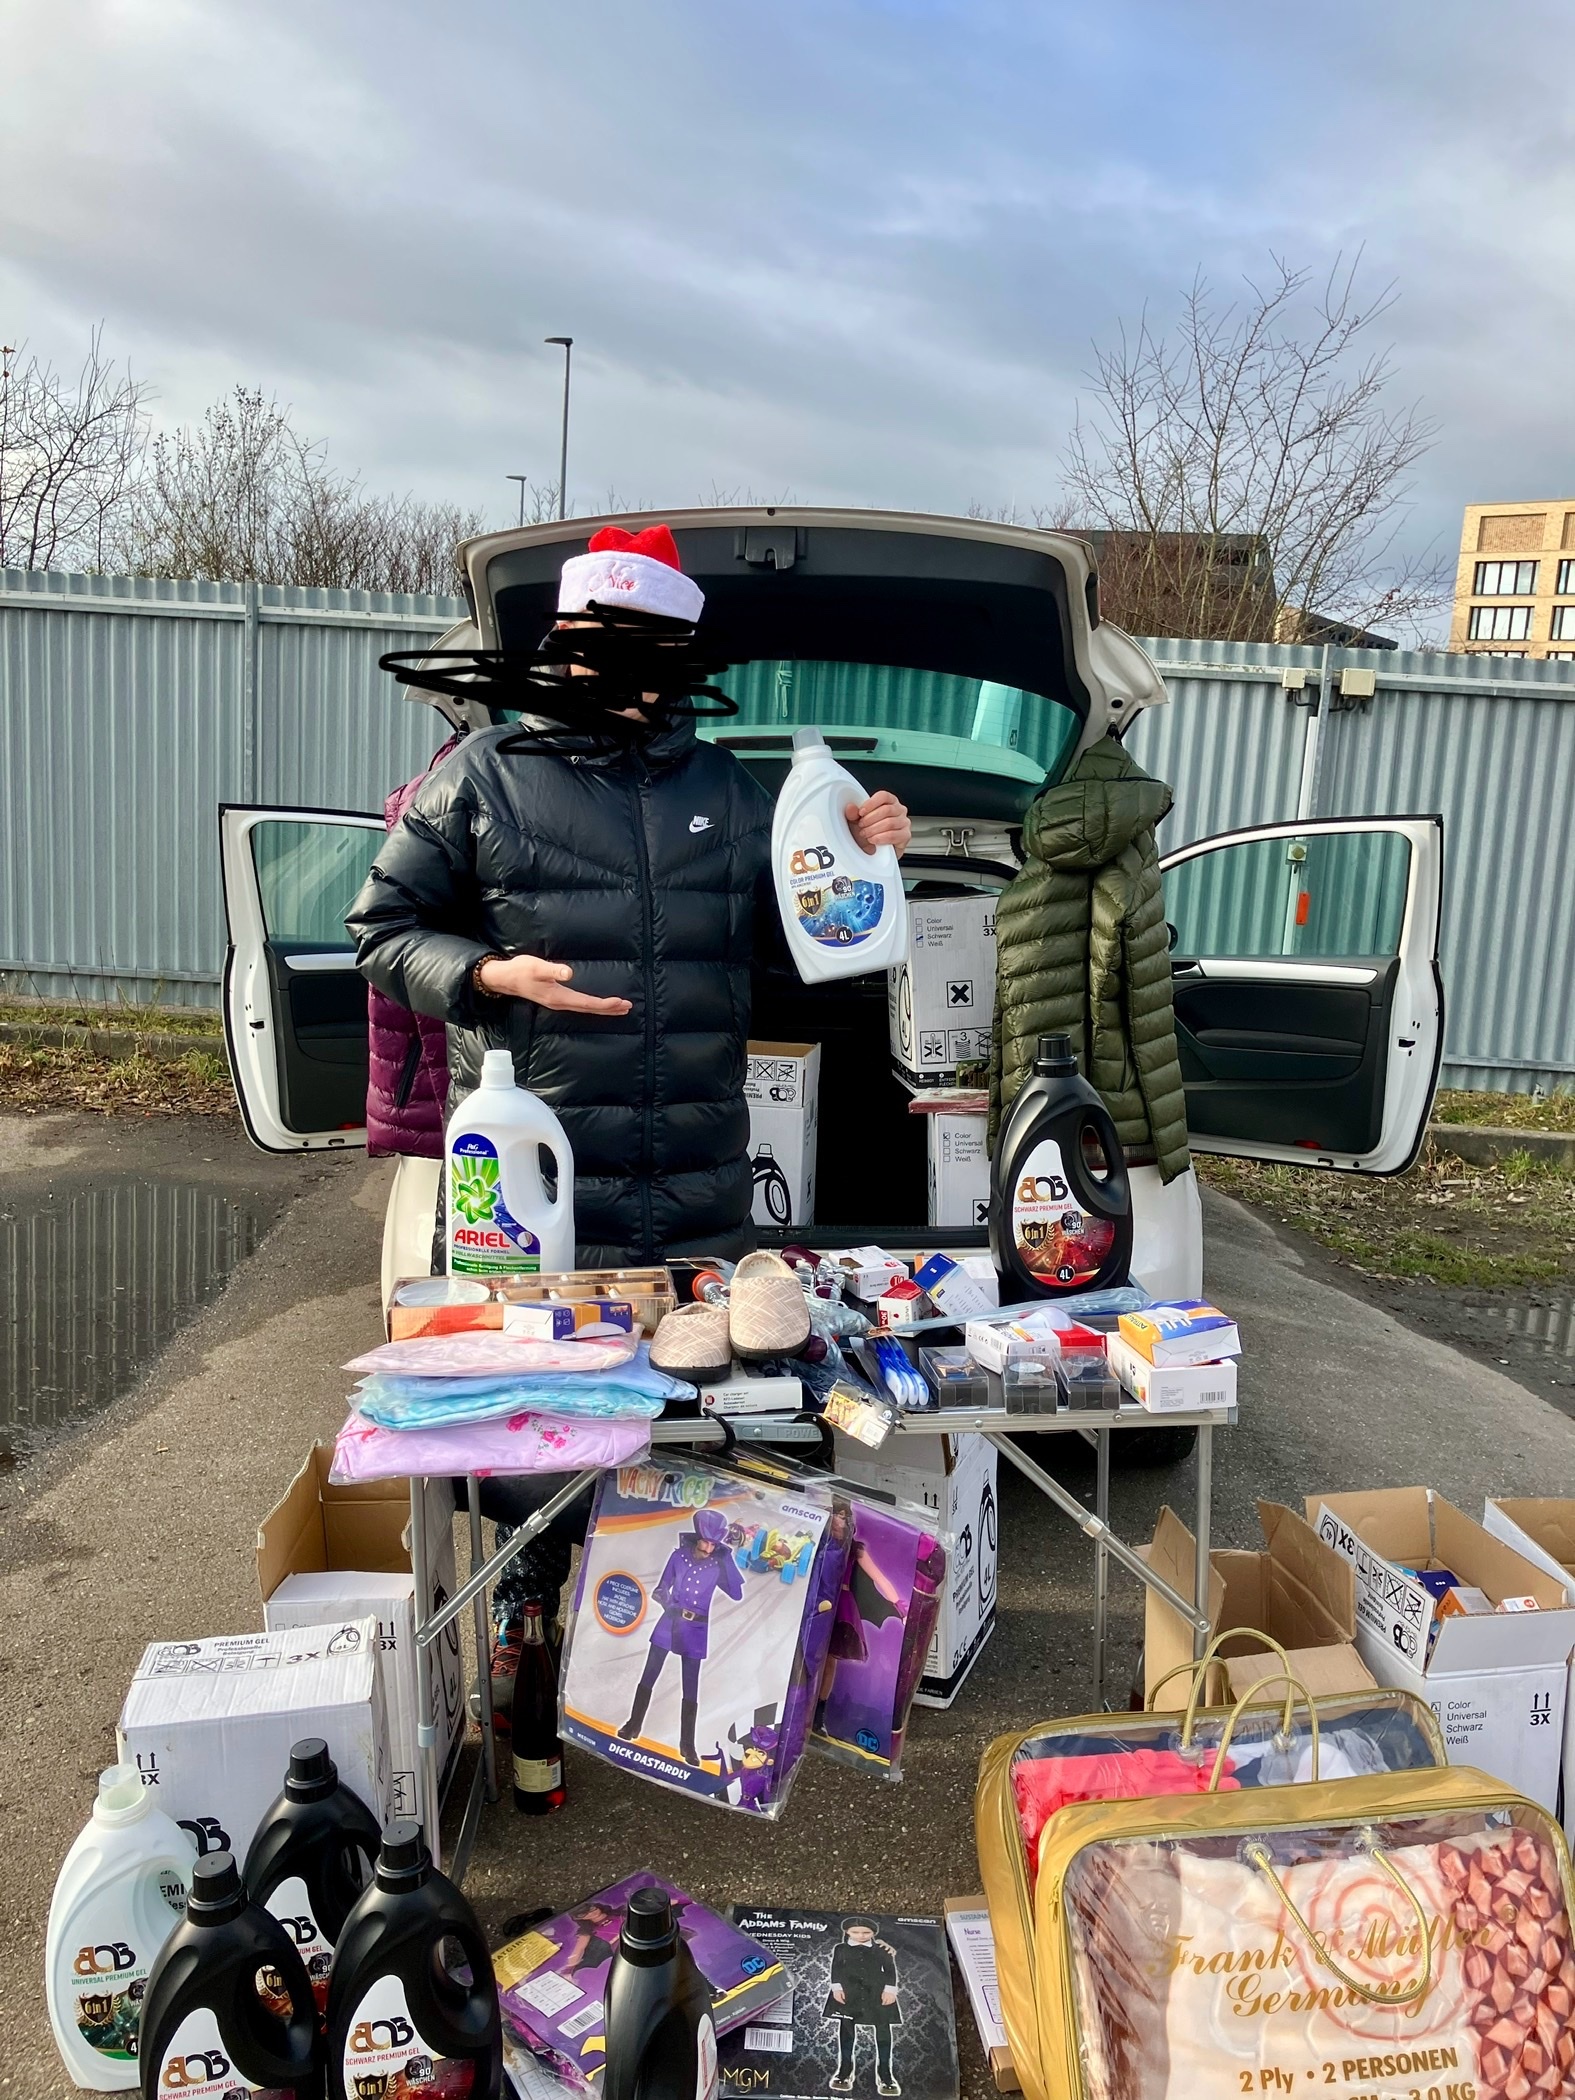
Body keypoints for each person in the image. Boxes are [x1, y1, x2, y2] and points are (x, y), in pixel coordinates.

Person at [348, 521, 911, 1267]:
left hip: (699, 1196)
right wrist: (487, 975)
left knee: (701, 1345)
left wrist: (853, 857)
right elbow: (382, 929)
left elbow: (791, 950)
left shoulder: (729, 790)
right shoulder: (482, 774)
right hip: (529, 1189)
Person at [618, 1506, 743, 1765]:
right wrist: (669, 1604)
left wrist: (727, 1558)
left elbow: (737, 1593)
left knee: (690, 1687)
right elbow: (660, 1589)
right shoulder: (679, 1557)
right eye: (705, 1542)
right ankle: (633, 1724)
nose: (708, 1548)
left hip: (696, 1630)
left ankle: (687, 1745)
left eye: (713, 1545)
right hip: (670, 1622)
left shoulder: (717, 1565)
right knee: (649, 1674)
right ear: (697, 1538)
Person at [823, 1917, 902, 2097]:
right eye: (855, 1932)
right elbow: (836, 1968)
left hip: (876, 1992)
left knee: (883, 2029)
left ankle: (885, 2074)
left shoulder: (882, 1949)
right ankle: (844, 2070)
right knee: (846, 2029)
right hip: (849, 1993)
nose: (861, 1936)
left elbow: (890, 1970)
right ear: (847, 1932)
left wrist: (890, 1990)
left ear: (873, 1933)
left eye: (866, 1932)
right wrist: (837, 1988)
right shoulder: (840, 1948)